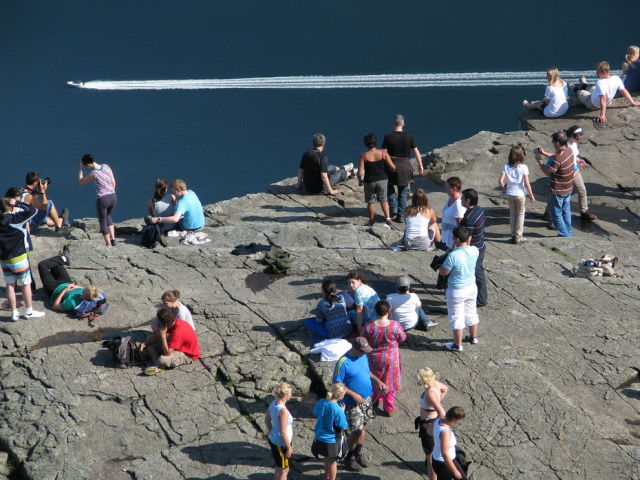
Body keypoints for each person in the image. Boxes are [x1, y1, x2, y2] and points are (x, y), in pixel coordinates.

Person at [332, 337, 386, 471]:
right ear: (354, 348)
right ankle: (348, 456)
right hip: (351, 403)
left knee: (363, 427)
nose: (364, 353)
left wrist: (378, 381)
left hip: (366, 399)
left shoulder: (363, 356)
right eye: (362, 351)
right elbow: (336, 384)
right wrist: (354, 394)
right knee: (355, 430)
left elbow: (366, 373)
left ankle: (358, 452)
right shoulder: (343, 362)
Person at [0, 198, 45, 321]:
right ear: (10, 207)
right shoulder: (15, 219)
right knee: (25, 284)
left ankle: (14, 313)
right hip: (19, 258)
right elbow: (33, 210)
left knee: (10, 285)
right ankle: (29, 311)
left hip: (4, 259)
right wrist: (18, 203)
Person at [362, 300, 406, 416]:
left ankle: (375, 399)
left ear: (375, 311)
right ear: (388, 311)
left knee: (375, 379)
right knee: (390, 381)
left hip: (373, 357)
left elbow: (363, 339)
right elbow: (402, 338)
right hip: (391, 359)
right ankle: (388, 408)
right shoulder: (395, 325)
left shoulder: (369, 325)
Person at [439, 226, 479, 352]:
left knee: (456, 316)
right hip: (471, 287)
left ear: (455, 239)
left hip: (456, 290)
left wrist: (439, 265)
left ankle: (457, 345)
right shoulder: (475, 250)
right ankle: (473, 337)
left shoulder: (453, 256)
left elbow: (444, 272)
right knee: (471, 311)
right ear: (469, 238)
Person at [382, 114, 424, 222]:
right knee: (403, 192)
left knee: (389, 187)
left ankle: (393, 207)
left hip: (392, 166)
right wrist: (420, 165)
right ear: (403, 124)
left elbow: (384, 153)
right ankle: (401, 215)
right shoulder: (409, 136)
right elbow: (416, 151)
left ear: (393, 124)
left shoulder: (388, 137)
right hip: (405, 166)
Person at [535, 131, 575, 238]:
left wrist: (539, 159)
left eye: (553, 141)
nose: (552, 143)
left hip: (558, 190)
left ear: (557, 143)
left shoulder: (558, 159)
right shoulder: (569, 150)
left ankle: (564, 235)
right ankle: (568, 231)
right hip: (568, 188)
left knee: (556, 213)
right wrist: (544, 153)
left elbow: (547, 172)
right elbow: (557, 156)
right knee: (566, 211)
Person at [37, 250, 102, 312]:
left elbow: (55, 306)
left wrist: (64, 291)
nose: (84, 287)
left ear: (85, 295)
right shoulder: (86, 293)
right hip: (66, 282)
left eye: (85, 289)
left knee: (42, 265)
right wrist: (76, 286)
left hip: (54, 289)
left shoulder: (71, 303)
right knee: (57, 265)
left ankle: (63, 258)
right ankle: (63, 259)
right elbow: (83, 289)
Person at [575, 61, 640, 123]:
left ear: (603, 72)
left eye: (598, 71)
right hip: (608, 103)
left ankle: (576, 88)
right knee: (593, 88)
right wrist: (633, 102)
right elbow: (624, 91)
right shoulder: (616, 78)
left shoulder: (600, 83)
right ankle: (584, 84)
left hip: (592, 104)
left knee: (581, 92)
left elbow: (603, 99)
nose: (596, 72)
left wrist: (602, 115)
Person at [312, 382, 349, 480]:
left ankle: (326, 476)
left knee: (325, 457)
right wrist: (343, 411)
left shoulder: (322, 402)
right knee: (332, 461)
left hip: (320, 436)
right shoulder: (338, 409)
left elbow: (314, 411)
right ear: (340, 396)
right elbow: (343, 425)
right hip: (331, 440)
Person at [357, 133, 396, 226]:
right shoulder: (383, 153)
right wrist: (390, 170)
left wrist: (360, 180)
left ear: (365, 144)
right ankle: (388, 219)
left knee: (371, 202)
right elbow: (393, 167)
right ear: (375, 142)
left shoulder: (363, 156)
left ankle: (371, 221)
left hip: (369, 181)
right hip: (382, 179)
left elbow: (360, 173)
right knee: (384, 200)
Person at [499, 146, 536, 244]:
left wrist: (504, 188)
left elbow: (501, 180)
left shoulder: (506, 166)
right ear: (521, 156)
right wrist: (531, 194)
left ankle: (512, 235)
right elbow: (527, 183)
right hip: (520, 194)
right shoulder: (523, 167)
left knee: (512, 214)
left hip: (510, 194)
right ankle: (519, 236)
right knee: (520, 215)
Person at [417, 367, 449, 480]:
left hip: (428, 424)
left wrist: (431, 426)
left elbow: (442, 413)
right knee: (432, 452)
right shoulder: (435, 383)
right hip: (428, 421)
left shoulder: (430, 392)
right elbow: (445, 388)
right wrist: (438, 399)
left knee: (430, 457)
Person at [78, 154, 117, 246]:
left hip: (102, 199)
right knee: (108, 215)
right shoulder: (106, 166)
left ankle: (108, 244)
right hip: (113, 197)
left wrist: (80, 168)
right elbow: (113, 182)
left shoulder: (94, 174)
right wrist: (111, 192)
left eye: (86, 166)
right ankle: (113, 239)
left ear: (88, 164)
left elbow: (81, 181)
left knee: (102, 221)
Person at [460, 189, 488, 307]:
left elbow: (468, 238)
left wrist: (461, 251)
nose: (461, 200)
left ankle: (481, 300)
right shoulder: (479, 210)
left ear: (468, 200)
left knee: (477, 273)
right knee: (477, 272)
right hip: (481, 246)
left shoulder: (469, 218)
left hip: (474, 250)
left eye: (462, 198)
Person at [264, 381, 294, 480]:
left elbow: (267, 420)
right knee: (284, 471)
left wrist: (272, 432)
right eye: (290, 392)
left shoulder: (273, 403)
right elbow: (283, 432)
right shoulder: (283, 411)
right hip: (282, 444)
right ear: (285, 394)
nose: (291, 394)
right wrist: (289, 447)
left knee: (278, 467)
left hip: (274, 441)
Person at [565, 126, 596, 221]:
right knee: (562, 194)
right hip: (565, 171)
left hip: (574, 169)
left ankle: (584, 212)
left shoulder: (574, 143)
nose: (578, 141)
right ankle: (549, 214)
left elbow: (573, 156)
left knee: (582, 190)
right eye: (577, 138)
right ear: (570, 136)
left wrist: (578, 160)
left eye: (580, 138)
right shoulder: (564, 145)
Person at [432, 407, 467, 480]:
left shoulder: (438, 420)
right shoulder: (445, 432)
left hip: (439, 459)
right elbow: (445, 454)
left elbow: (431, 431)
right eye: (459, 421)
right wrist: (455, 471)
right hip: (443, 463)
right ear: (455, 419)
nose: (459, 423)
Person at [441, 177, 466, 249]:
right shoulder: (450, 198)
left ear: (454, 189)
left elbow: (460, 224)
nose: (445, 189)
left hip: (452, 239)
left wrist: (456, 242)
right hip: (447, 235)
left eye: (447, 187)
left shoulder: (458, 205)